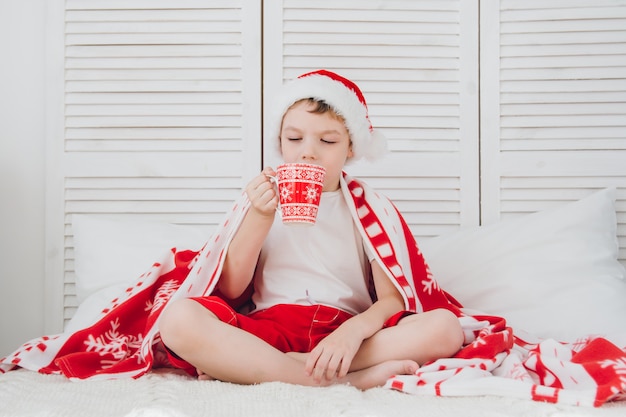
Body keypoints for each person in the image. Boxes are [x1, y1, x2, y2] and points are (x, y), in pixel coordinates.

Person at [159, 69, 464, 389]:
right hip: (268, 332)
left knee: (445, 328)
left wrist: (352, 333)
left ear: (350, 147)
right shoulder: (259, 199)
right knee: (179, 320)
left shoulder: (370, 208)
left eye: (328, 140)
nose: (308, 151)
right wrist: (261, 216)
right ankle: (345, 379)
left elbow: (392, 300)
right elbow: (233, 289)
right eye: (294, 138)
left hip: (345, 333)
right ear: (280, 142)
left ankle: (276, 368)